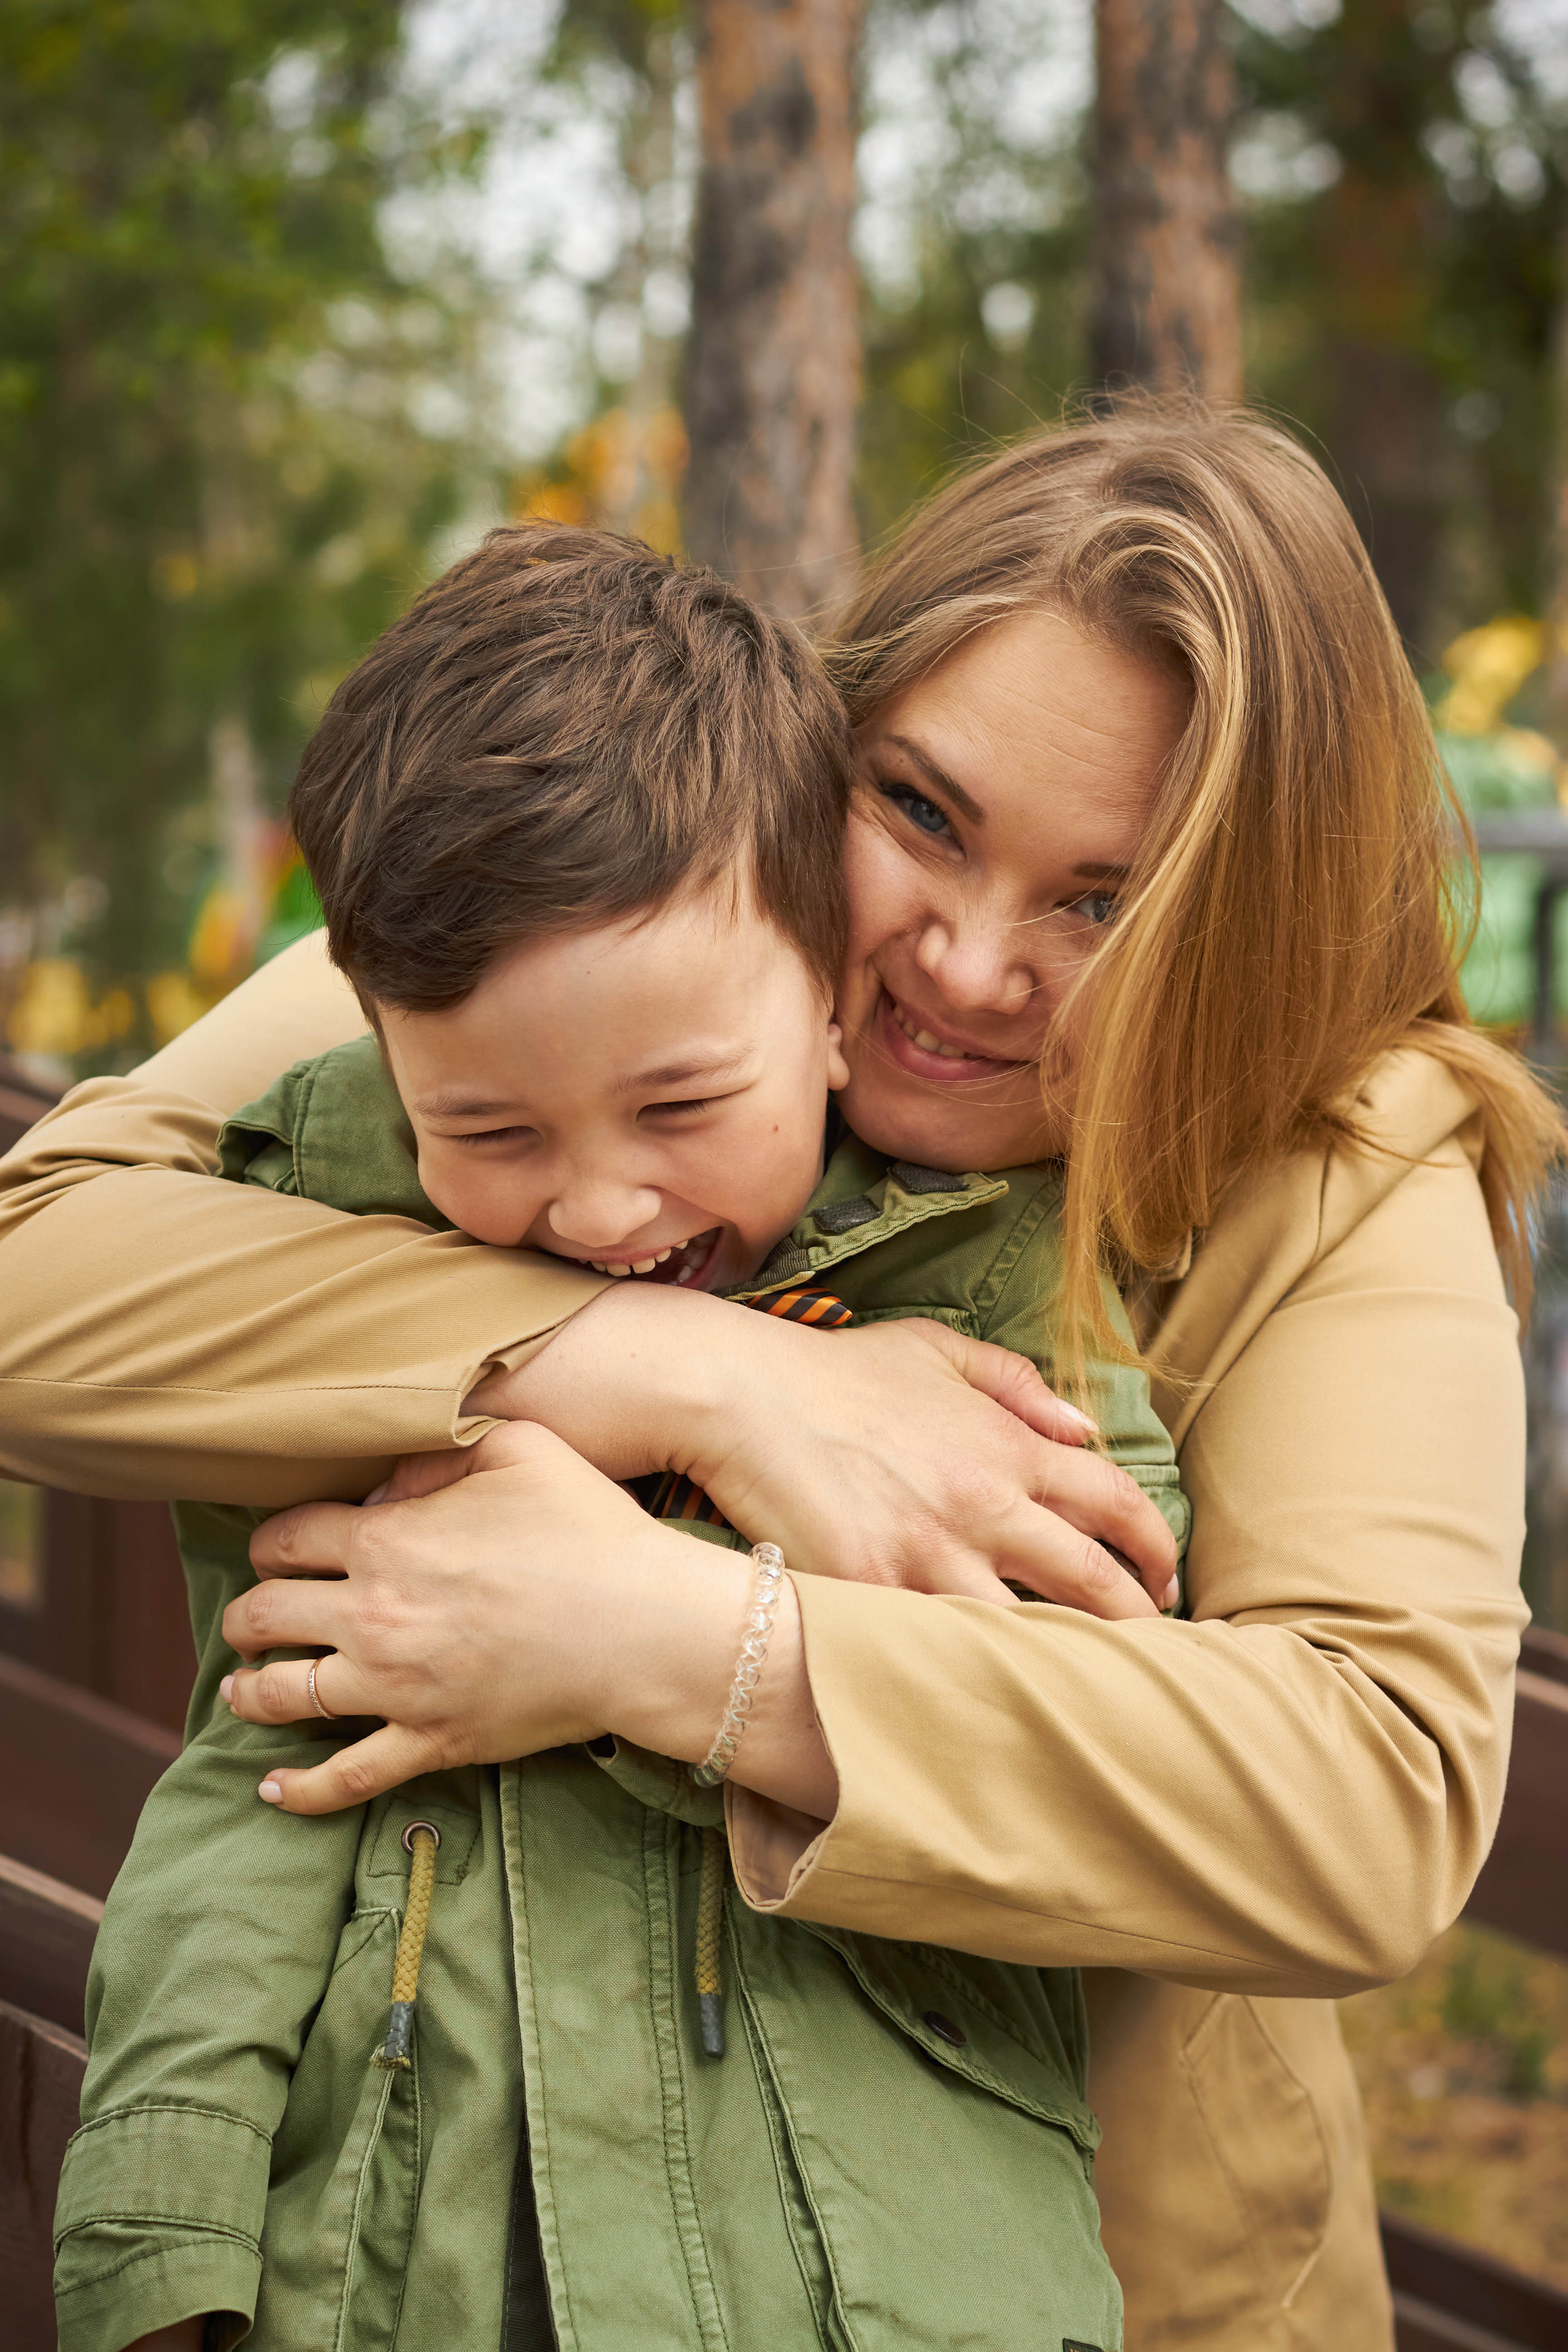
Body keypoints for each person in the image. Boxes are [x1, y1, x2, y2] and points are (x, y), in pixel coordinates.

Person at [2, 404, 1555, 2351]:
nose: (967, 965)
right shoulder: (639, 897)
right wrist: (672, 1365)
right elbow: (35, 1268)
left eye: (1102, 900)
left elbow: (1373, 1790)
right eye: (921, 812)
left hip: (1102, 2290)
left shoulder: (1346, 1153)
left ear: (1233, 910)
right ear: (833, 737)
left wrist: (681, 1643)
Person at [58, 525, 1185, 2352]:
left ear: (833, 1006)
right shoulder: (349, 1267)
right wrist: (165, 2216)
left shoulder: (994, 1298)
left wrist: (633, 1641)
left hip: (875, 2285)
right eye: (488, 1133)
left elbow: (1084, 1702)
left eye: (679, 1104)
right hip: (402, 2265)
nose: (591, 1209)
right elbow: (253, 1779)